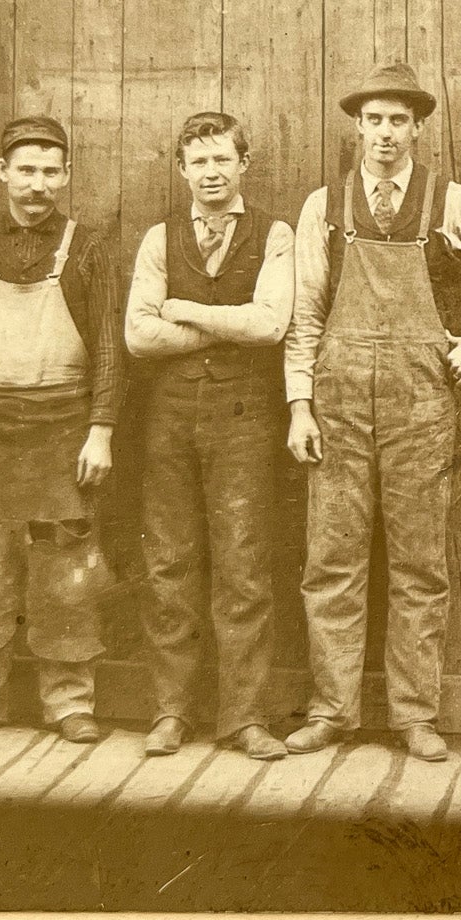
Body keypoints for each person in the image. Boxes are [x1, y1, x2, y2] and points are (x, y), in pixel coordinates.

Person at [284, 63, 461, 761]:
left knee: (420, 566)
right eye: (374, 120)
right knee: (330, 561)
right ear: (357, 126)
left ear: (419, 129)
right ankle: (332, 711)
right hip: (336, 403)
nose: (386, 134)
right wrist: (299, 405)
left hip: (420, 406)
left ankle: (414, 716)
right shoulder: (324, 207)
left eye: (399, 121)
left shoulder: (452, 204)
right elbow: (305, 314)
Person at [0, 116, 121, 745]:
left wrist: (101, 430)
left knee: (66, 569)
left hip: (64, 428)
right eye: (26, 170)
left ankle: (69, 702)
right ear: (3, 172)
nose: (38, 184)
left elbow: (112, 350)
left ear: (65, 177)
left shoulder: (87, 248)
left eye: (51, 171)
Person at [126, 111, 296, 761]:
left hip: (245, 416)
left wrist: (187, 310)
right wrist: (231, 321)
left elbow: (271, 325)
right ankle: (172, 710)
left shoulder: (274, 233)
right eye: (199, 162)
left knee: (243, 566)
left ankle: (244, 717)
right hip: (169, 415)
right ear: (181, 170)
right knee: (170, 561)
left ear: (243, 164)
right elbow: (139, 335)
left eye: (223, 159)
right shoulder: (157, 239)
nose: (212, 172)